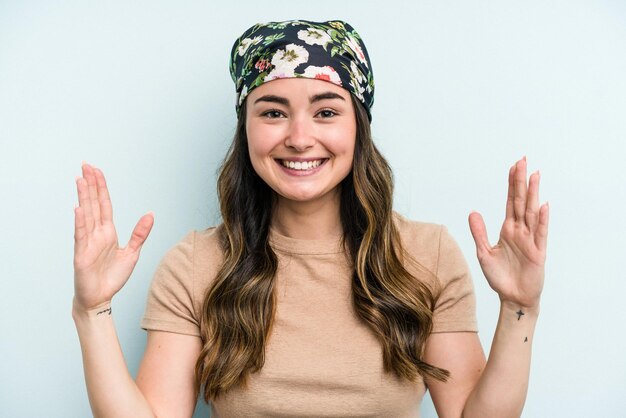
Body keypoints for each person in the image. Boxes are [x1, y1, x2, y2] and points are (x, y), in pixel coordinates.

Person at [72, 19, 549, 417]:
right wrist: (92, 312)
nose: (300, 138)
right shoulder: (196, 263)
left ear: (358, 129)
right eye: (273, 112)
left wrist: (518, 307)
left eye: (325, 112)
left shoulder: (428, 255)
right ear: (247, 130)